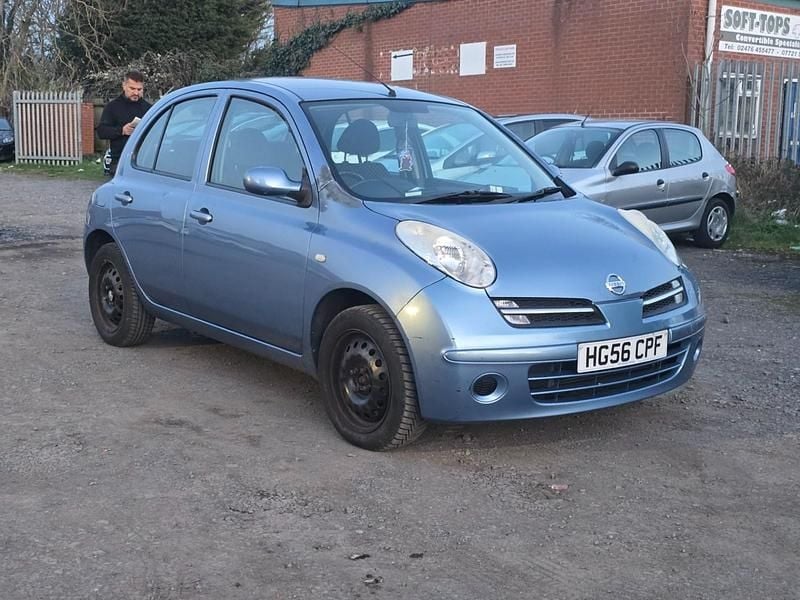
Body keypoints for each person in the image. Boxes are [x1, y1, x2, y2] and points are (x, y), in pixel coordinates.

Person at [96, 70, 151, 176]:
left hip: (143, 161)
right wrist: (122, 130)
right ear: (124, 86)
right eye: (132, 89)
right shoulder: (112, 107)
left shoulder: (148, 108)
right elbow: (101, 132)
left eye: (139, 89)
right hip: (119, 161)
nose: (136, 93)